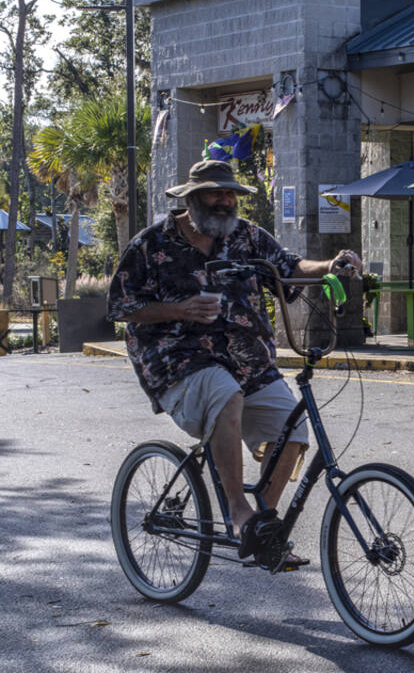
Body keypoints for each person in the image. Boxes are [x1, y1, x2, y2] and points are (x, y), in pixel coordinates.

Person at [108, 158, 363, 566]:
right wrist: (181, 309)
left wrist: (330, 266)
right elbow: (121, 305)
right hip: (177, 361)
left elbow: (290, 269)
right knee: (224, 392)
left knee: (294, 423)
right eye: (216, 193)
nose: (225, 200)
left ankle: (262, 525)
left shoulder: (247, 237)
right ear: (192, 198)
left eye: (230, 194)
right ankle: (237, 513)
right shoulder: (151, 244)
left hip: (247, 360)